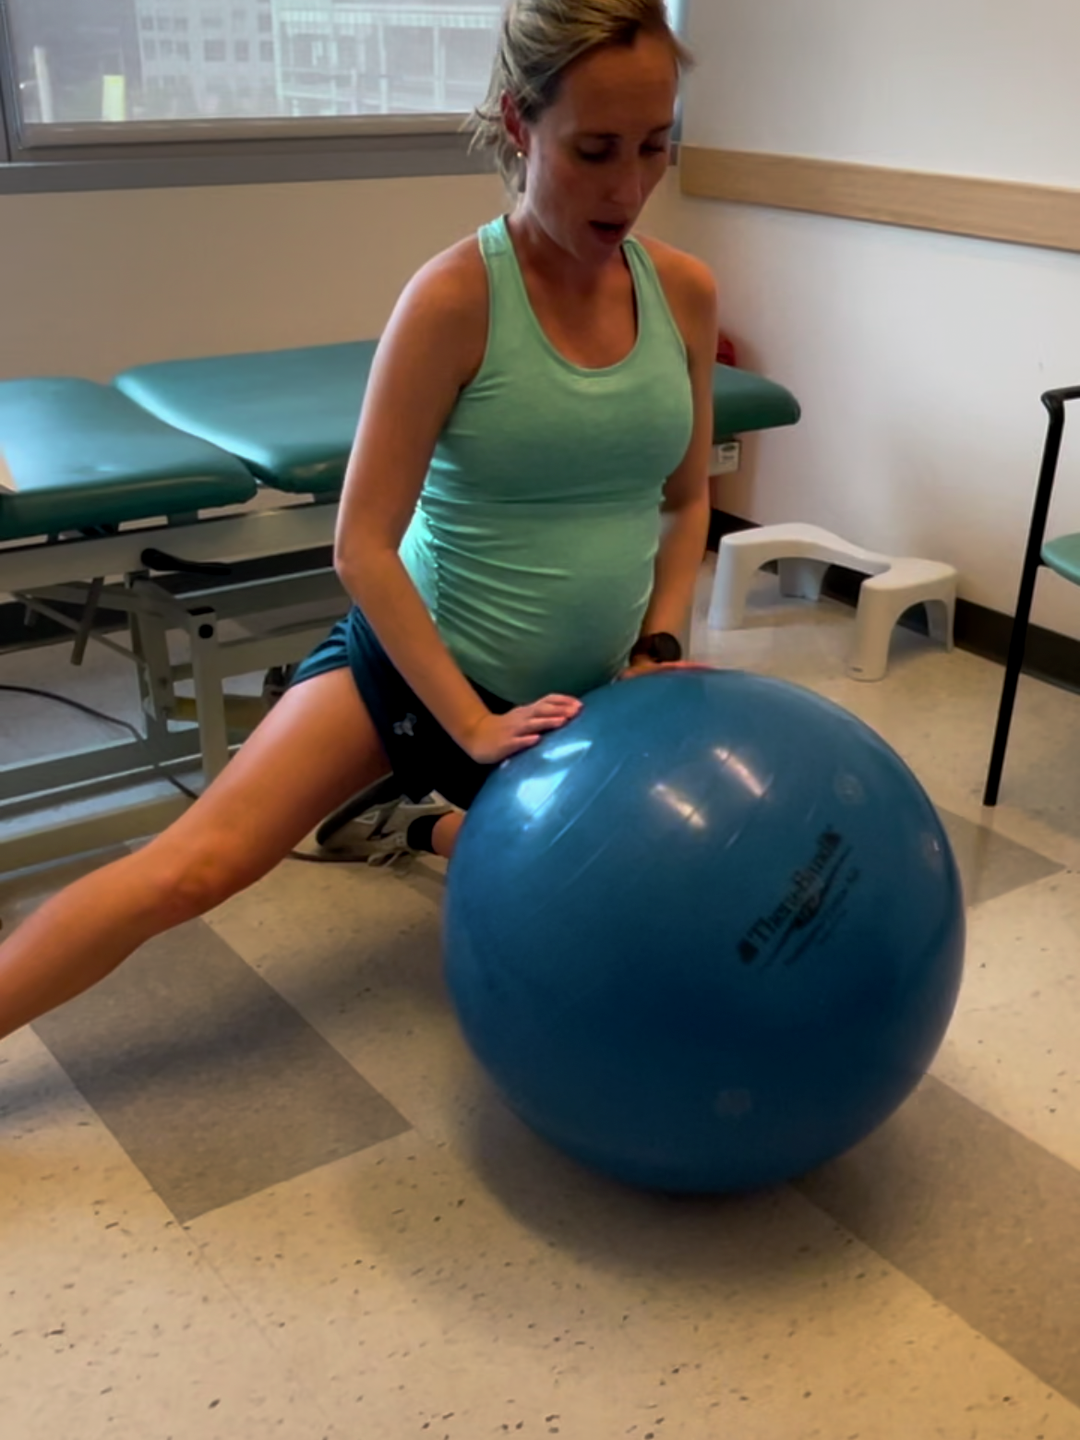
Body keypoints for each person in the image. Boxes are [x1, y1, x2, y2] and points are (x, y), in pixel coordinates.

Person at [0, 0, 717, 1043]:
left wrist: (658, 646)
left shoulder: (684, 293)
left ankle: (409, 819)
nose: (629, 186)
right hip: (423, 676)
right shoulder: (455, 299)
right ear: (519, 126)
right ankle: (404, 793)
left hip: (586, 693)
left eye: (655, 146)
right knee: (193, 868)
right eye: (594, 149)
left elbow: (688, 497)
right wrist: (467, 724)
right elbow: (361, 545)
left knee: (669, 891)